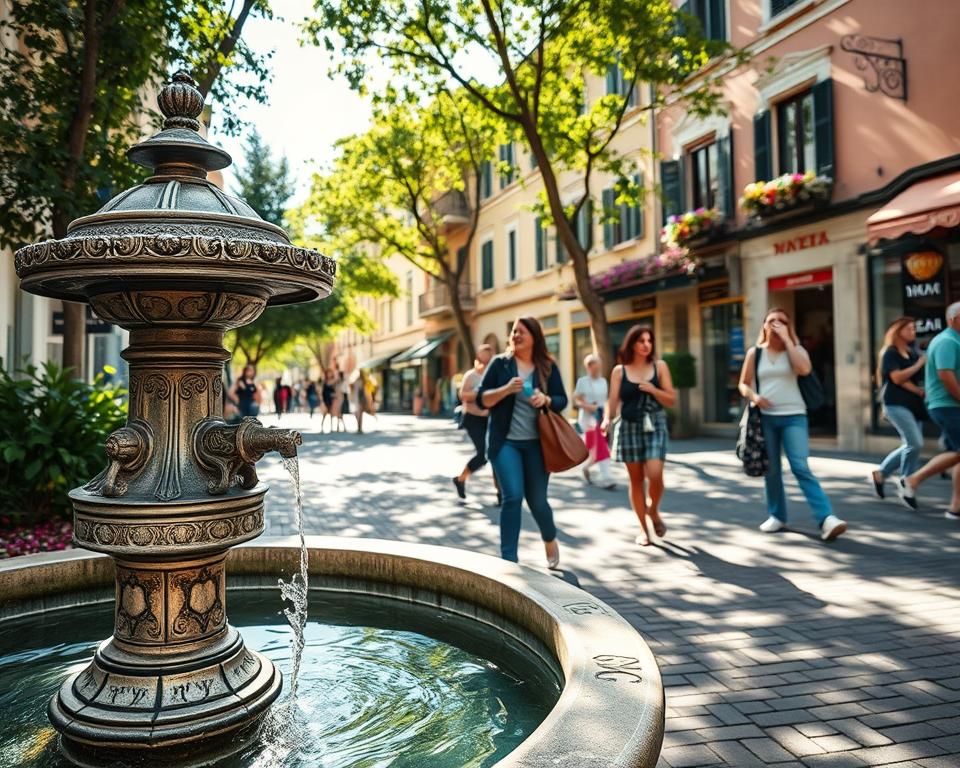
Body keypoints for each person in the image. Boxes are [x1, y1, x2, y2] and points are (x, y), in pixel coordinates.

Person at [738, 308, 847, 541]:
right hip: (766, 418)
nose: (776, 324)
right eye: (771, 321)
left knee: (800, 466)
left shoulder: (796, 350)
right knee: (772, 469)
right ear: (764, 326)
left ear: (789, 326)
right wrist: (755, 397)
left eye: (782, 321)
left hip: (795, 416)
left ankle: (827, 518)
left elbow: (804, 369)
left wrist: (788, 340)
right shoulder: (754, 353)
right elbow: (743, 384)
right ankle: (777, 515)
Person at [476, 317, 567, 567]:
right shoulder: (500, 365)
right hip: (505, 443)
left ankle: (549, 538)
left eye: (521, 332)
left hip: (538, 444)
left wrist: (546, 399)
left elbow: (562, 400)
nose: (516, 335)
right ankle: (509, 560)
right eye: (514, 331)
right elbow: (482, 399)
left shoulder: (547, 366)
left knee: (537, 501)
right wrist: (505, 390)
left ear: (534, 337)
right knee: (512, 497)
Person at [602, 326, 676, 546]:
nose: (646, 344)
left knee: (655, 473)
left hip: (655, 423)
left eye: (649, 340)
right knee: (635, 480)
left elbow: (671, 399)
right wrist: (607, 420)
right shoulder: (619, 371)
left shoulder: (659, 367)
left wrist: (654, 390)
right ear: (632, 343)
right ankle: (644, 530)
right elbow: (613, 402)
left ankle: (653, 511)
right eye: (641, 340)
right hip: (628, 426)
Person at [899, 301, 960, 521]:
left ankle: (955, 507)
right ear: (954, 319)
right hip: (947, 404)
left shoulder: (954, 340)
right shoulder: (946, 341)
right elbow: (946, 375)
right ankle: (913, 480)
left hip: (949, 404)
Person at [871, 317, 926, 497]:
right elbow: (897, 378)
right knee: (915, 443)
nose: (913, 331)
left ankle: (882, 473)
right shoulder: (890, 353)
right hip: (895, 404)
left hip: (914, 405)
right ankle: (906, 481)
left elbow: (911, 380)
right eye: (909, 328)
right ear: (898, 331)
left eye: (914, 328)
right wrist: (919, 365)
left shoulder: (912, 352)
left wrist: (919, 390)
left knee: (911, 445)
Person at [452, 344, 495, 500]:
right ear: (478, 359)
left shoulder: (493, 375)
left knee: (495, 453)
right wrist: (480, 395)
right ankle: (460, 479)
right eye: (483, 358)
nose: (486, 362)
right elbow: (462, 395)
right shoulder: (471, 376)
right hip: (472, 419)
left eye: (489, 359)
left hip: (489, 418)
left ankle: (501, 493)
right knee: (483, 454)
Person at [574, 353, 615, 490]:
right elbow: (577, 400)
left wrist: (608, 415)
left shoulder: (603, 381)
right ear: (589, 367)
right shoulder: (583, 381)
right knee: (601, 446)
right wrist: (590, 407)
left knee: (595, 449)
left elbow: (606, 400)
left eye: (599, 365)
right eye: (595, 366)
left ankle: (585, 467)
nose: (597, 368)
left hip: (601, 417)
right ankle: (607, 478)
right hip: (588, 419)